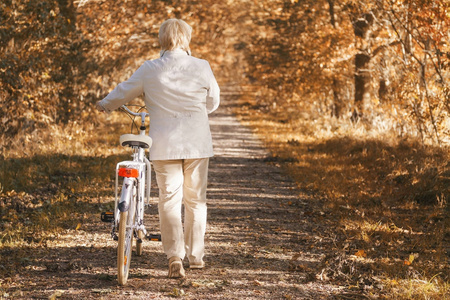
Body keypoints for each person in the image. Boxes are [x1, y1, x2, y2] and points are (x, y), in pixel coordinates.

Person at [96, 19, 220, 278]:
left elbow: (124, 92)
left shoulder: (150, 68)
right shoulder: (202, 66)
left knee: (169, 200)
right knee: (195, 201)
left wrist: (105, 104)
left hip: (164, 143)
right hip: (197, 142)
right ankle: (196, 257)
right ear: (187, 39)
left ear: (162, 40)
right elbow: (213, 101)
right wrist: (197, 114)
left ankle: (174, 256)